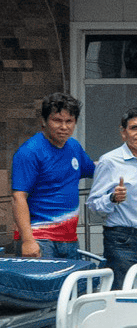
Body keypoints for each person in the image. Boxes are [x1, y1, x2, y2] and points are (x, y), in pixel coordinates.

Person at [11, 92, 96, 259]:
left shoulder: (74, 147)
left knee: (72, 278)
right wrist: (27, 240)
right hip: (39, 239)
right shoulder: (29, 152)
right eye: (57, 120)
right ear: (44, 121)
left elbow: (95, 169)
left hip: (69, 239)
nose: (64, 127)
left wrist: (136, 155)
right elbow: (18, 197)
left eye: (69, 121)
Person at [87, 108, 137, 288]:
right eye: (134, 128)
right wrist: (112, 198)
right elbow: (92, 204)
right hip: (123, 241)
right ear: (123, 133)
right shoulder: (109, 161)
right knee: (122, 293)